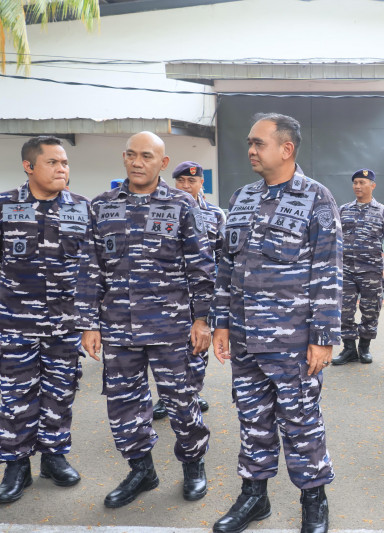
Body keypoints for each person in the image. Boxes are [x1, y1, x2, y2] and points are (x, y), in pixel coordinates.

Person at [211, 113, 341, 533]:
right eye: (249, 142)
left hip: (292, 340)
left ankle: (314, 501)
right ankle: (254, 497)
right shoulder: (242, 197)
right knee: (252, 420)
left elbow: (328, 273)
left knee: (301, 423)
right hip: (246, 338)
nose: (250, 150)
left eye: (258, 143)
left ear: (286, 149)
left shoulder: (316, 198)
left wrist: (322, 338)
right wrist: (222, 323)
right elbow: (226, 267)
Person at [79, 132, 215, 508]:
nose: (138, 162)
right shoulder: (101, 206)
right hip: (118, 327)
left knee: (181, 402)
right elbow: (90, 268)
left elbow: (201, 267)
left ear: (163, 163)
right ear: (124, 158)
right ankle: (141, 470)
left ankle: (193, 465)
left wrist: (201, 320)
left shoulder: (181, 205)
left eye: (147, 156)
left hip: (171, 327)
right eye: (132, 155)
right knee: (123, 405)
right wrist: (90, 323)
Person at [0, 137, 91, 503]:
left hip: (64, 323)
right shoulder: (5, 206)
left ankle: (54, 456)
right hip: (14, 322)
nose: (62, 169)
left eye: (65, 163)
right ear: (29, 166)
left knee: (61, 390)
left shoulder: (83, 209)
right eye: (53, 162)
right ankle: (16, 464)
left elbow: (93, 269)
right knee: (14, 394)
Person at [149, 161, 225, 420]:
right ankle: (166, 396)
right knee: (165, 347)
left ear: (201, 182)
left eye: (191, 181)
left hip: (201, 291)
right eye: (180, 181)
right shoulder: (161, 211)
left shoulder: (215, 214)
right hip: (169, 292)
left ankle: (192, 392)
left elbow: (222, 255)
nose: (185, 186)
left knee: (197, 345)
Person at [332, 168, 384, 365]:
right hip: (345, 270)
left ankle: (364, 347)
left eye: (362, 182)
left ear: (373, 185)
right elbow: (334, 239)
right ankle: (348, 349)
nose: (357, 186)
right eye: (355, 182)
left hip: (371, 270)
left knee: (370, 310)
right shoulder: (344, 210)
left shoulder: (383, 212)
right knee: (344, 311)